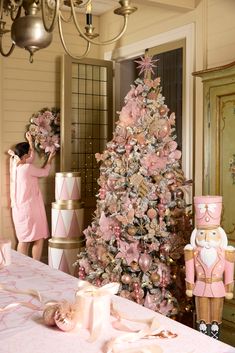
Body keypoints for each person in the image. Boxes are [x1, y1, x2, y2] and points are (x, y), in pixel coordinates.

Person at [184, 195, 235, 340]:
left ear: (219, 235)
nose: (206, 239)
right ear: (196, 234)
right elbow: (190, 270)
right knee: (202, 317)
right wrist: (189, 286)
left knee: (215, 318)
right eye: (202, 234)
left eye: (212, 234)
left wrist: (229, 289)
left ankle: (214, 339)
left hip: (217, 287)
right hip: (200, 286)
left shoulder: (226, 253)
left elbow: (229, 272)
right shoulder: (192, 252)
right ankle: (203, 339)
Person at [8, 132, 55, 261]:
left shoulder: (15, 166)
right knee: (38, 237)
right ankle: (36, 265)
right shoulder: (27, 168)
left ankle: (22, 267)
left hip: (18, 210)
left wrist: (30, 143)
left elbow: (30, 159)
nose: (31, 154)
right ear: (24, 156)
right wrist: (50, 158)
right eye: (29, 152)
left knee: (23, 240)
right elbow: (44, 172)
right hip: (31, 208)